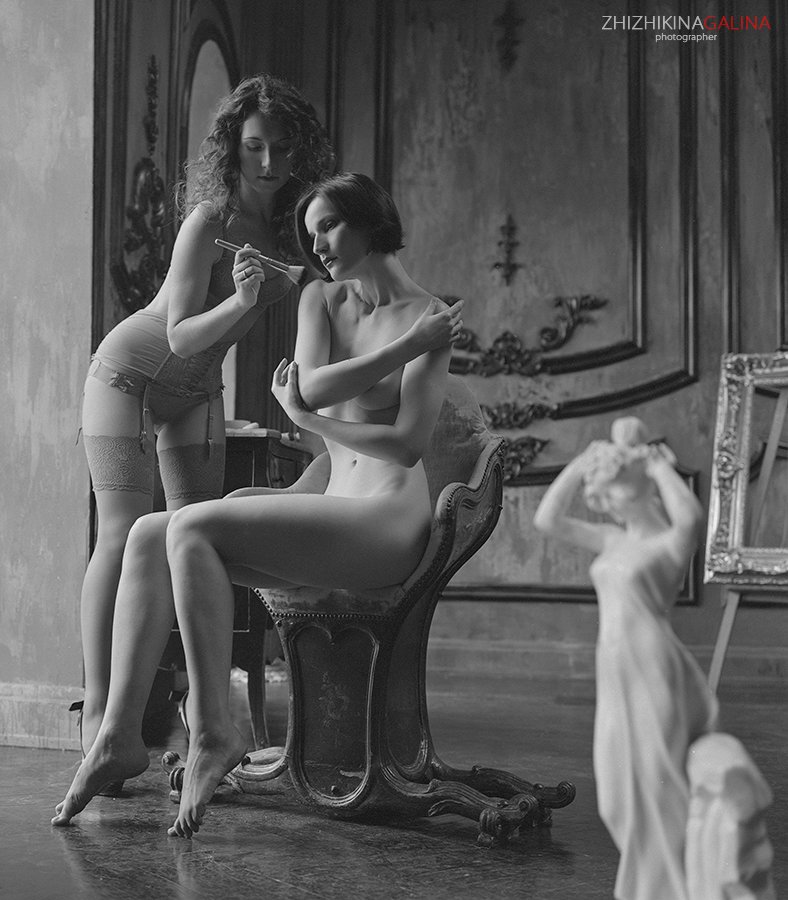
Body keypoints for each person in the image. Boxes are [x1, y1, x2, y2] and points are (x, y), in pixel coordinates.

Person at [52, 172, 465, 835]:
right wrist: (393, 356)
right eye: (310, 233)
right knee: (150, 532)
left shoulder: (430, 318)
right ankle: (118, 736)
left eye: (329, 226)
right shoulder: (321, 300)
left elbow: (406, 444)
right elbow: (312, 383)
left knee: (191, 528)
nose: (317, 245)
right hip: (335, 511)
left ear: (370, 221)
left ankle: (214, 731)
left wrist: (313, 414)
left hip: (387, 524)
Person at [74, 74, 333, 777]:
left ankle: (202, 713)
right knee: (123, 534)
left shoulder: (294, 228)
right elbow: (182, 334)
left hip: (197, 391)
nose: (269, 163)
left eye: (284, 147)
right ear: (233, 146)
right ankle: (100, 718)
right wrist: (245, 299)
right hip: (129, 375)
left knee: (195, 541)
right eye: (255, 146)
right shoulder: (207, 221)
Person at [532, 418, 719, 900]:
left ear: (641, 486)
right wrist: (581, 463)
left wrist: (656, 467)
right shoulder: (614, 541)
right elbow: (547, 520)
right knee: (616, 796)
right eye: (601, 493)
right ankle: (653, 880)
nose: (604, 501)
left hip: (653, 666)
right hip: (613, 669)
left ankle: (677, 883)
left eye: (612, 488)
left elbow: (691, 519)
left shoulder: (667, 544)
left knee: (660, 779)